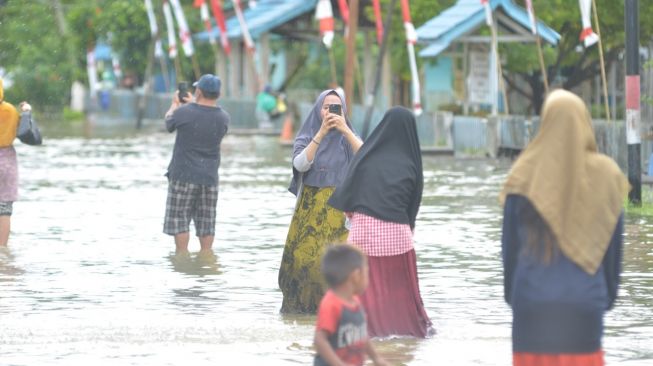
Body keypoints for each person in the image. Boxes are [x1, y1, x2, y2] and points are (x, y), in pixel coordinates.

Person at [499, 90, 629, 366]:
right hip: (584, 311)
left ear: (544, 125)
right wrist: (599, 300)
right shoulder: (606, 177)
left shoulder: (522, 175)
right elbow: (612, 260)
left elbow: (509, 259)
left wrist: (521, 301)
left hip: (531, 310)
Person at [328, 106, 432, 338]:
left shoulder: (367, 158)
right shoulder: (412, 163)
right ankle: (402, 332)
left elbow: (349, 194)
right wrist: (407, 229)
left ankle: (356, 331)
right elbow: (412, 205)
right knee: (400, 291)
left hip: (363, 234)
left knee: (360, 289)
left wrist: (353, 217)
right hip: (398, 237)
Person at [278, 89, 363, 313]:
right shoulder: (308, 135)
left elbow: (366, 157)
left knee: (338, 265)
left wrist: (344, 129)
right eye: (326, 107)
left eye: (336, 107)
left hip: (342, 212)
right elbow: (300, 164)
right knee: (305, 263)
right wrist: (322, 133)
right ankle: (305, 316)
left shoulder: (349, 138)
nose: (330, 112)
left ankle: (337, 312)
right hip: (310, 213)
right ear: (318, 110)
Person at [163, 74, 229, 253]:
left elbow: (169, 123)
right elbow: (204, 116)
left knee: (180, 222)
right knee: (207, 223)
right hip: (209, 178)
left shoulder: (183, 112)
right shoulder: (224, 118)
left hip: (183, 176)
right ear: (218, 94)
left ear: (198, 91)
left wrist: (174, 105)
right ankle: (206, 257)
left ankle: (182, 258)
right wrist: (193, 103)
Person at [314, 244, 388, 366]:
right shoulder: (331, 304)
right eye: (366, 273)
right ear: (356, 275)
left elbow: (362, 334)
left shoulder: (355, 302)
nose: (368, 279)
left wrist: (376, 358)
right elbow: (320, 340)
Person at [0, 78, 31, 246]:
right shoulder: (10, 111)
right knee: (4, 209)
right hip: (6, 159)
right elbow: (25, 131)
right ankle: (2, 252)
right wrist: (26, 112)